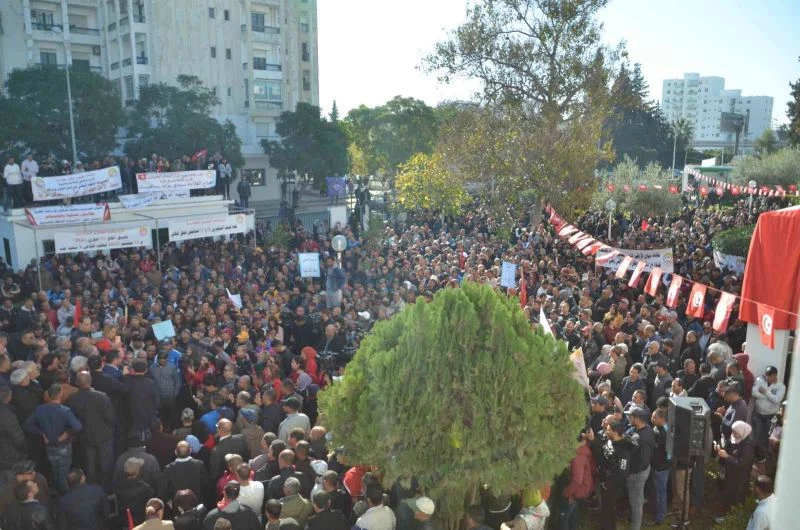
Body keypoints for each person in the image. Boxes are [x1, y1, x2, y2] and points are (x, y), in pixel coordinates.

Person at [22, 383, 82, 493]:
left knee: (55, 470)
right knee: (63, 472)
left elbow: (27, 425)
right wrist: (67, 433)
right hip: (63, 446)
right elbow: (77, 426)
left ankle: (56, 491)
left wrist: (42, 433)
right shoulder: (65, 411)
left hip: (49, 446)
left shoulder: (40, 409)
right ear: (60, 394)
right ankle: (65, 495)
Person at [66, 371, 115, 489]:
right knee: (106, 464)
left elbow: (71, 419)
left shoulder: (72, 399)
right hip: (104, 436)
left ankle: (92, 487)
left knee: (90, 465)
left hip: (85, 436)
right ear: (90, 381)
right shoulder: (102, 397)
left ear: (77, 383)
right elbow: (111, 417)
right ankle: (106, 489)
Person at [588, 417, 632, 530]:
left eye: (608, 430)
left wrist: (608, 484)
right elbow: (603, 454)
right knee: (607, 510)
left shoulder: (623, 451)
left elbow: (622, 473)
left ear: (615, 432)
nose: (606, 431)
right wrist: (593, 441)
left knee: (607, 512)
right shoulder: (610, 440)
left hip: (612, 486)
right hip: (604, 481)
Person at [715, 421, 755, 523]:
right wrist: (719, 450)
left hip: (739, 477)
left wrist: (727, 457)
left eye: (735, 432)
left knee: (735, 497)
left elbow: (742, 463)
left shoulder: (748, 446)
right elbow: (727, 449)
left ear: (742, 433)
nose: (733, 434)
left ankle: (731, 519)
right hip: (730, 474)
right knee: (726, 493)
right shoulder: (734, 438)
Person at [623, 407, 653, 530]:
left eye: (630, 417)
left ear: (637, 419)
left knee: (636, 503)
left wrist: (631, 473)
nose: (628, 418)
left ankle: (635, 527)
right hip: (636, 472)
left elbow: (643, 460)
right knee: (634, 499)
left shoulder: (644, 437)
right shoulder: (639, 429)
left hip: (638, 473)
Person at [560, 434, 595, 530]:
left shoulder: (577, 456)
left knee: (563, 518)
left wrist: (566, 492)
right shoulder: (585, 450)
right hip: (583, 490)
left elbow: (577, 480)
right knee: (573, 516)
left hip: (576, 492)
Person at [751, 366, 786, 462]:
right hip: (758, 413)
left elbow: (777, 400)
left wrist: (765, 392)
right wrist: (769, 396)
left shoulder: (781, 386)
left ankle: (767, 458)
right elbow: (754, 393)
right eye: (770, 376)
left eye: (774, 376)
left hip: (771, 415)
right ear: (766, 376)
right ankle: (760, 455)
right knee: (758, 436)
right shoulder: (760, 380)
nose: (772, 378)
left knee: (767, 436)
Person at [163, 440, 212, 507]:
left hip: (177, 507)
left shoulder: (168, 468)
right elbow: (206, 485)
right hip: (197, 505)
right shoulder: (199, 465)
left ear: (175, 452)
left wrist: (170, 503)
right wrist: (202, 501)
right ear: (190, 451)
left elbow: (164, 490)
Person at [650, 409, 671, 525]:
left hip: (662, 468)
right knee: (656, 491)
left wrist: (661, 466)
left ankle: (660, 517)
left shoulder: (666, 433)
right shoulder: (656, 428)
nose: (651, 419)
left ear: (662, 419)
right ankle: (655, 512)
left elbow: (669, 454)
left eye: (654, 417)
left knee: (660, 493)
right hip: (656, 465)